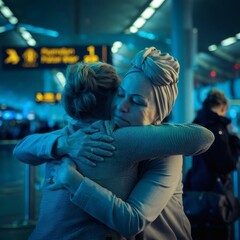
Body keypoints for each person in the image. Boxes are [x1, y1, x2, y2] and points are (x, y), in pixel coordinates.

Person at [13, 47, 214, 240]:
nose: (121, 107)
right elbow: (23, 147)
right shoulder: (93, 135)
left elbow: (204, 137)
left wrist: (72, 179)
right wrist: (64, 143)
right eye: (120, 94)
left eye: (137, 101)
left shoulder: (167, 151)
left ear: (158, 115)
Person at [184, 88, 240, 240]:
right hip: (215, 195)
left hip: (196, 190)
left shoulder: (197, 125)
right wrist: (234, 141)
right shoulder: (216, 128)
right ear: (223, 107)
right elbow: (227, 164)